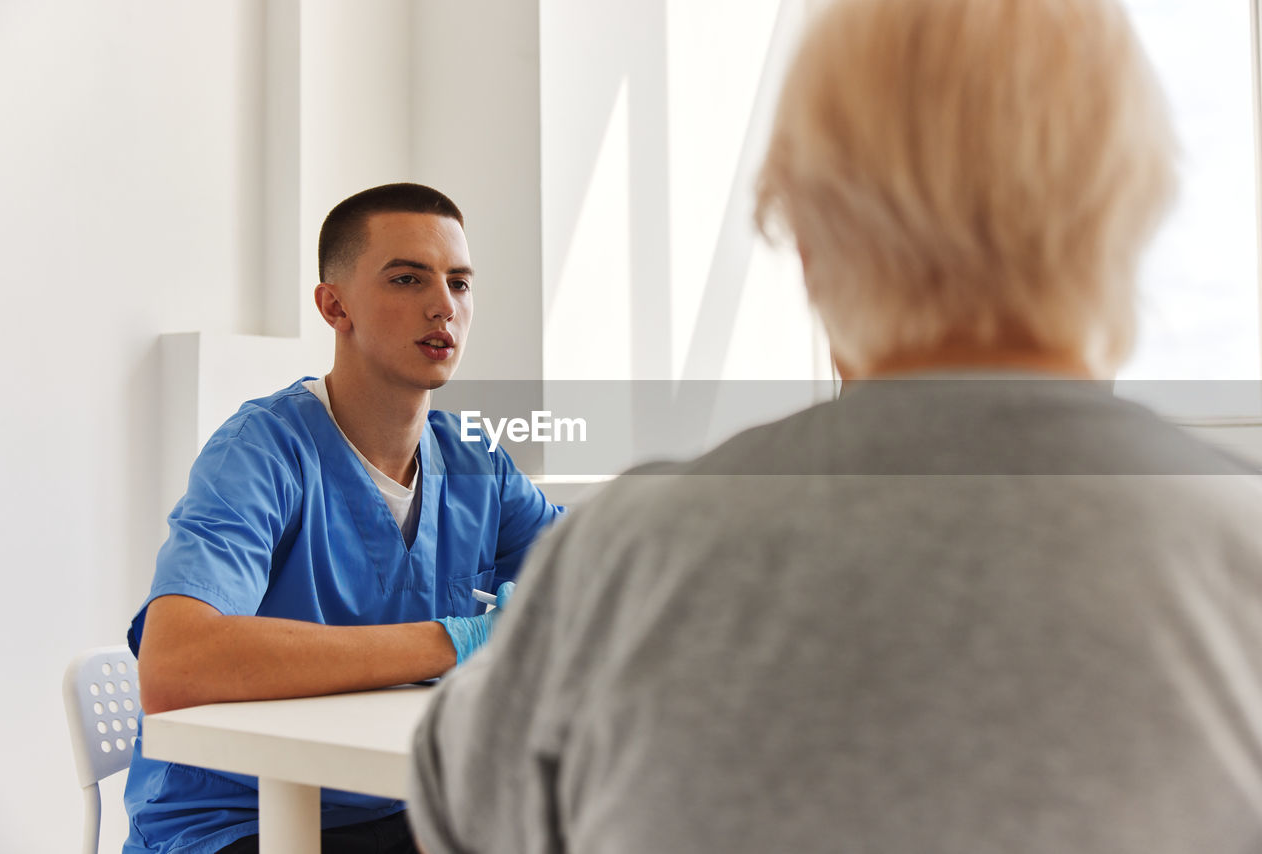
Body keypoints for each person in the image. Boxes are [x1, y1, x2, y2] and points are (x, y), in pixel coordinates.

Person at [405, 1, 1262, 852]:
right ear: (1129, 223)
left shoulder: (627, 554)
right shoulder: (1241, 555)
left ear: (808, 240)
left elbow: (459, 796)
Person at [122, 183, 563, 854]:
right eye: (408, 278)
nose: (443, 305)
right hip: (239, 817)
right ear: (335, 305)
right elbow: (175, 664)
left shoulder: (475, 461)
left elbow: (592, 564)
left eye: (460, 283)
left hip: (401, 799)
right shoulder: (263, 453)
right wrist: (461, 641)